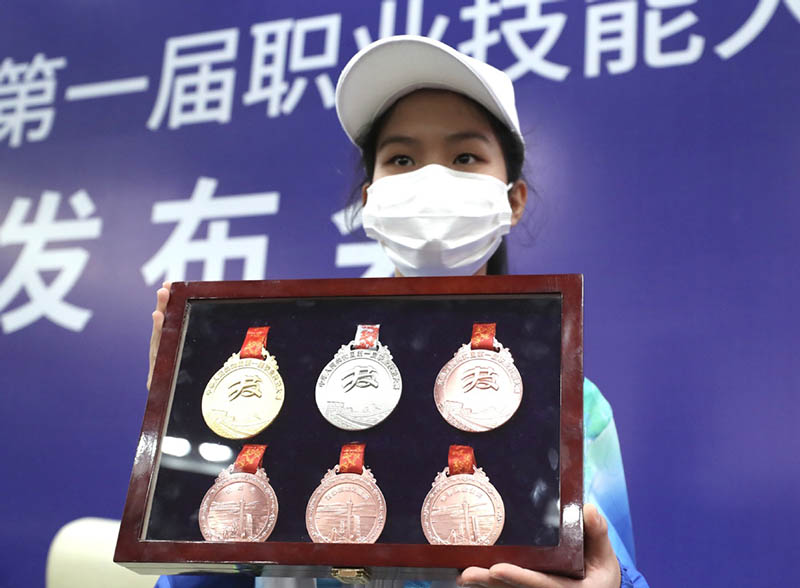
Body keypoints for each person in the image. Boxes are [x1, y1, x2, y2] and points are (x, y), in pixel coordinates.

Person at [149, 36, 648, 588]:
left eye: (464, 156)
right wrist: (184, 408)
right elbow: (198, 573)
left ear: (513, 200)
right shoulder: (278, 368)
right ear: (370, 199)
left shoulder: (573, 402)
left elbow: (613, 568)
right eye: (402, 158)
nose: (431, 179)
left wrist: (611, 584)